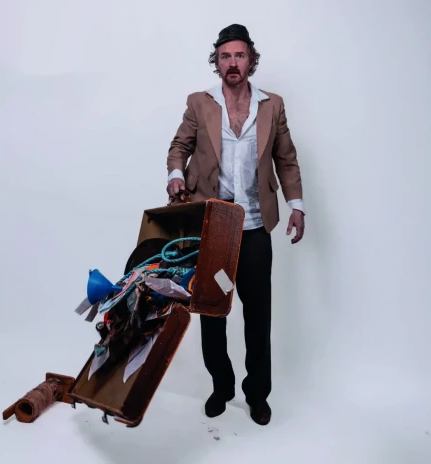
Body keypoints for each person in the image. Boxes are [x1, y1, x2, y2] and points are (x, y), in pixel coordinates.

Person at [165, 24, 305, 426]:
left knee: (258, 317)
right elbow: (179, 146)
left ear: (251, 61)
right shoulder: (200, 103)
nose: (232, 63)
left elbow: (286, 158)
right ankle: (221, 386)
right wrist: (176, 174)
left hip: (256, 228)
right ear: (217, 61)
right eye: (225, 56)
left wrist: (296, 206)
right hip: (215, 229)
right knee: (213, 312)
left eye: (239, 55)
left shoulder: (272, 105)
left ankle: (257, 394)